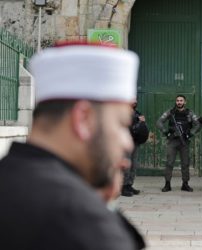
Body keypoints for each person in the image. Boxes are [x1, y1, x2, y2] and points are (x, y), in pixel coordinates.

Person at [0, 42, 145, 249]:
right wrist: (103, 211)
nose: (127, 143)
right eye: (122, 124)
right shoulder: (83, 223)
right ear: (83, 119)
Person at [156, 95, 201, 192]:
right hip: (172, 140)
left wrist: (190, 134)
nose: (179, 102)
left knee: (185, 163)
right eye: (177, 100)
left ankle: (185, 184)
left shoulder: (190, 113)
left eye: (181, 100)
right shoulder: (170, 112)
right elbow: (159, 122)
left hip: (184, 141)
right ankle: (167, 184)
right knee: (169, 162)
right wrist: (165, 132)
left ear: (185, 102)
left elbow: (198, 124)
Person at [122, 101, 148, 197]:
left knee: (133, 164)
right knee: (127, 164)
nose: (134, 102)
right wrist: (137, 119)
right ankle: (123, 186)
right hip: (126, 141)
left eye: (135, 100)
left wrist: (141, 121)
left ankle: (129, 185)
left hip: (135, 141)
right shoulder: (123, 112)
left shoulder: (137, 113)